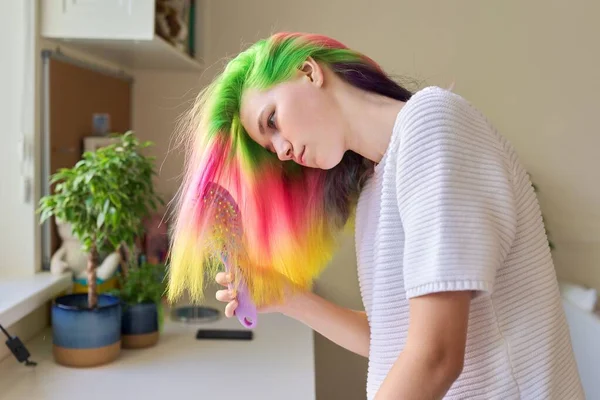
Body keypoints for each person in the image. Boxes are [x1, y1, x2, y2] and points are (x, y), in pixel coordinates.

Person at [168, 32, 584, 399]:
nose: (281, 150)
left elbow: (436, 358)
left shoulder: (431, 122)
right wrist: (286, 297)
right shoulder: (375, 192)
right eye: (269, 144)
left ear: (308, 71)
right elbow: (397, 342)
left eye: (272, 121)